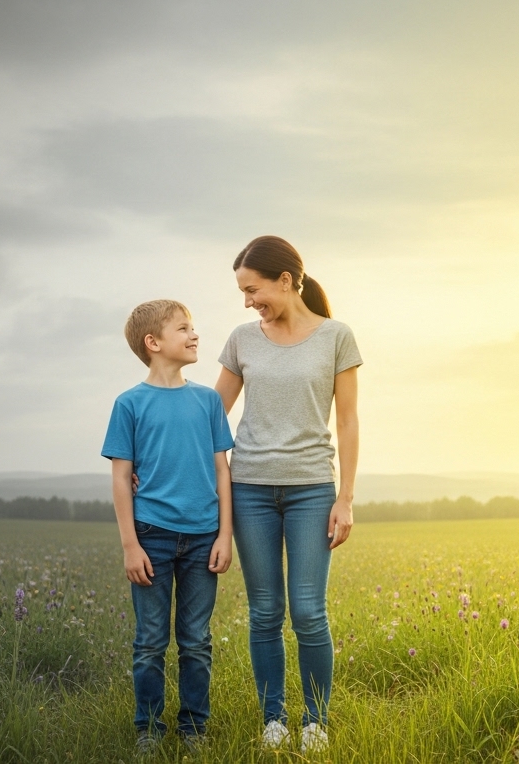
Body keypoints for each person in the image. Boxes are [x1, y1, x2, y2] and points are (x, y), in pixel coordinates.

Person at [216, 236, 362, 752]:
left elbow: (347, 421)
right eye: (242, 292)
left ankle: (315, 722)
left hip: (311, 490)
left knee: (308, 611)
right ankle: (273, 720)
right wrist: (154, 460)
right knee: (264, 612)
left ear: (285, 279)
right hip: (250, 488)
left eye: (253, 289)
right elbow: (211, 417)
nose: (248, 301)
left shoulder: (336, 337)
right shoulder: (241, 339)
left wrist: (344, 497)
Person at [101, 299, 235, 754]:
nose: (195, 335)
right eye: (184, 328)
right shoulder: (129, 404)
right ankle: (149, 730)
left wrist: (224, 535)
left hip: (203, 539)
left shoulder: (208, 401)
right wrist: (129, 545)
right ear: (153, 343)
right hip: (151, 537)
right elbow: (121, 476)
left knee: (196, 641)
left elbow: (222, 471)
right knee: (150, 642)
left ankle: (194, 729)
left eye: (194, 327)